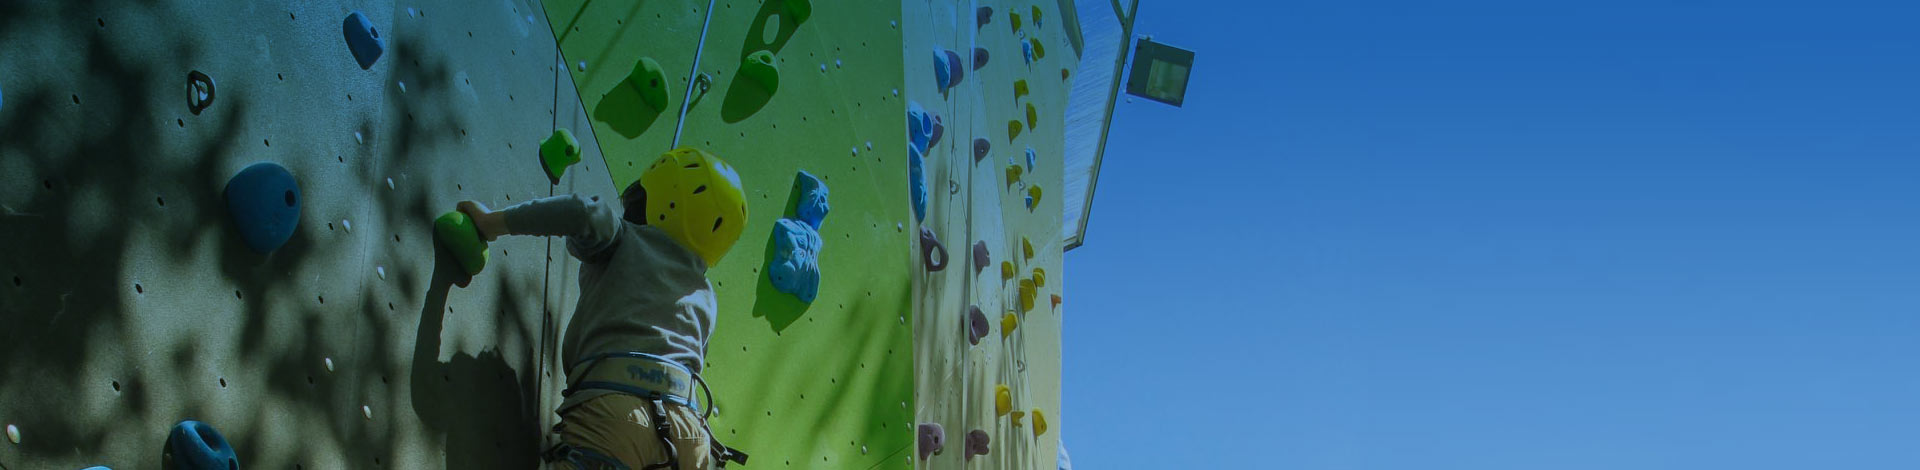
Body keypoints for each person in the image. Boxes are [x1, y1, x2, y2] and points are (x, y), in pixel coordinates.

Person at [454, 148, 751, 470]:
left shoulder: (624, 238)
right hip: (689, 434)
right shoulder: (706, 296)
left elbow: (581, 212)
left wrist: (490, 223)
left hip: (618, 409)